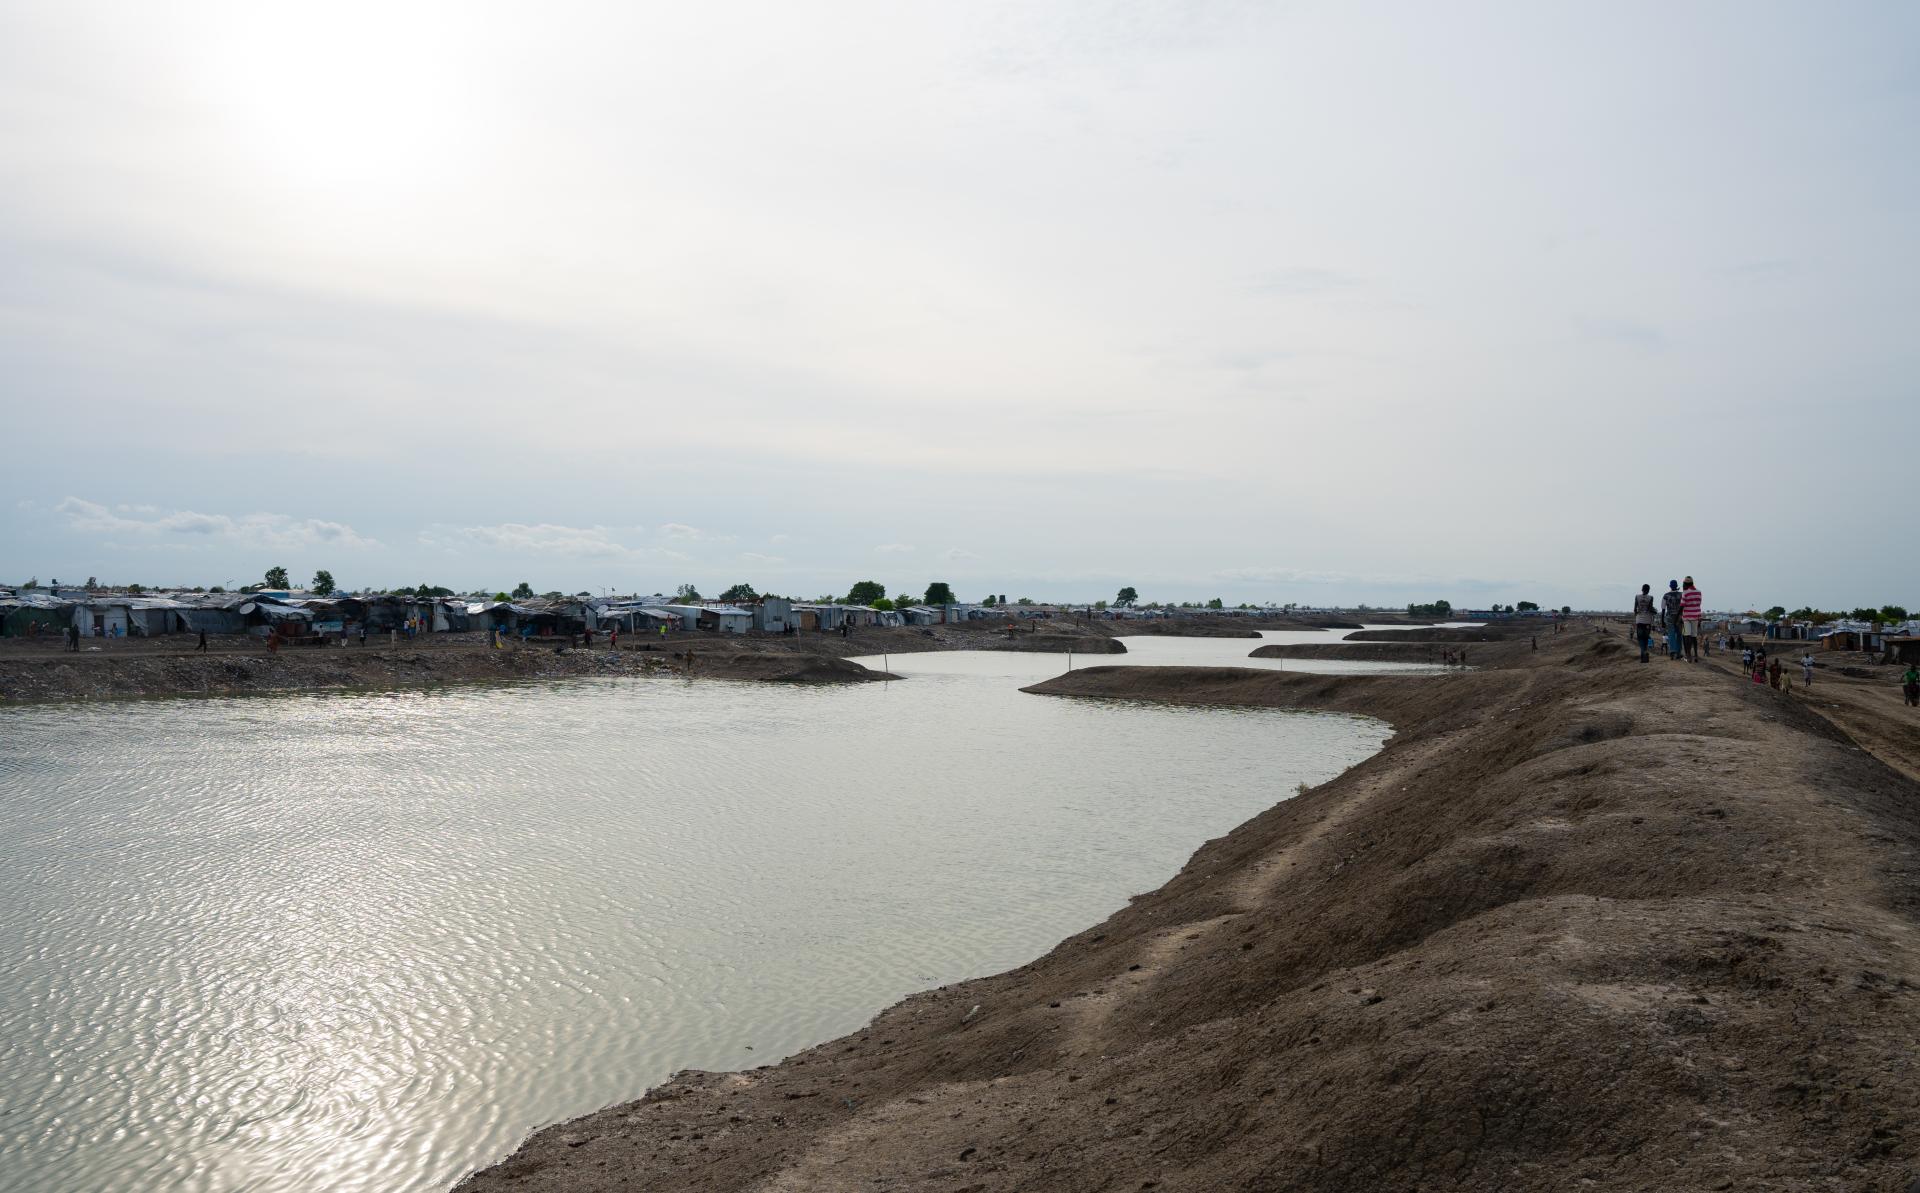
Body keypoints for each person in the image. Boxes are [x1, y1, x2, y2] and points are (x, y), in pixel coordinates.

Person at [1631, 584, 1656, 663]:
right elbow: (1650, 608)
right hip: (1647, 620)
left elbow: (1635, 609)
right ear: (1648, 590)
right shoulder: (1651, 598)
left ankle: (1643, 653)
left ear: (1642, 589)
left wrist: (1637, 614)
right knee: (1646, 637)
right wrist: (1654, 611)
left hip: (1639, 620)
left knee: (1640, 638)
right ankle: (1645, 653)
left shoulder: (1637, 597)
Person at [1680, 577, 1703, 662]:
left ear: (1686, 584)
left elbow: (1682, 606)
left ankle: (1688, 656)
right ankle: (1696, 655)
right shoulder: (1699, 592)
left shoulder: (1685, 592)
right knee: (1694, 636)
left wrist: (1678, 617)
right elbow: (1698, 604)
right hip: (1696, 616)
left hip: (1686, 617)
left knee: (1687, 636)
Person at [1661, 581, 1684, 660]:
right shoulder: (1681, 595)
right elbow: (1684, 607)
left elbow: (1663, 609)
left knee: (1671, 635)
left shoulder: (1666, 595)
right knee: (1679, 635)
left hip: (1669, 617)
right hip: (1679, 617)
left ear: (1670, 586)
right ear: (1677, 586)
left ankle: (1672, 651)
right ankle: (1678, 652)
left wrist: (1662, 621)